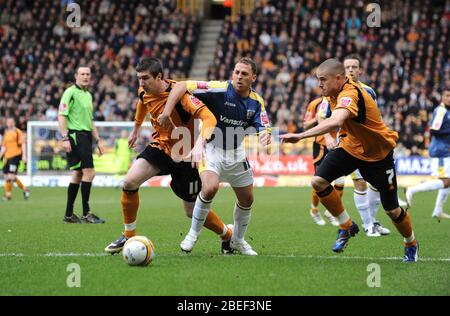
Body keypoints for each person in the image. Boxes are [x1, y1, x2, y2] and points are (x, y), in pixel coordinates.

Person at [280, 58, 419, 262]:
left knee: (392, 209)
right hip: (351, 147)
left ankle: (411, 243)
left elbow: (336, 120)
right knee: (318, 181)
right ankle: (346, 226)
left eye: (322, 80)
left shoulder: (350, 93)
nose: (319, 84)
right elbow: (328, 119)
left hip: (378, 155)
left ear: (338, 79)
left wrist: (300, 135)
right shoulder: (332, 94)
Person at [104, 57, 233, 254]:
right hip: (160, 148)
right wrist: (136, 129)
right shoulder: (143, 90)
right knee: (129, 182)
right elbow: (142, 103)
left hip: (185, 156)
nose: (141, 83)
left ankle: (228, 236)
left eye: (145, 78)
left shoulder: (182, 96)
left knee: (191, 211)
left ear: (159, 77)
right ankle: (128, 235)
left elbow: (209, 118)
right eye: (138, 78)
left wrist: (200, 144)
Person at [157, 57, 272, 256]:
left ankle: (237, 240)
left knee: (247, 200)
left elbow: (263, 124)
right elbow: (182, 85)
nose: (239, 76)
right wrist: (167, 111)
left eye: (244, 74)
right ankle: (193, 233)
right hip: (211, 148)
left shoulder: (256, 101)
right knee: (210, 188)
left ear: (253, 78)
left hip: (236, 153)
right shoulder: (218, 88)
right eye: (236, 72)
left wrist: (265, 136)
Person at [343, 54, 392, 237]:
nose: (350, 70)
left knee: (377, 184)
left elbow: (375, 119)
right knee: (360, 183)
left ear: (360, 70)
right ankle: (368, 225)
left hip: (370, 145)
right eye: (347, 67)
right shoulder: (336, 91)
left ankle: (373, 222)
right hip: (351, 145)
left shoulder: (369, 92)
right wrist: (332, 138)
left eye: (354, 67)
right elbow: (326, 117)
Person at [58, 66, 106, 224]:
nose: (85, 76)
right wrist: (64, 137)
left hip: (85, 136)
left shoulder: (88, 95)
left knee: (78, 174)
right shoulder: (70, 92)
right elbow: (62, 115)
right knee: (90, 172)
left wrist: (98, 141)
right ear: (76, 76)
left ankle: (68, 214)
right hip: (75, 135)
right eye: (82, 74)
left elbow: (90, 121)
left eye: (88, 74)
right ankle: (86, 213)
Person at [405, 88, 450, 220]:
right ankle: (412, 189)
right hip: (440, 151)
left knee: (448, 180)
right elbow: (434, 130)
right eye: (447, 95)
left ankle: (438, 210)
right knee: (445, 181)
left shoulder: (447, 111)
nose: (449, 98)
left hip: (445, 150)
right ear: (442, 97)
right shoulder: (441, 110)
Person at [303, 97, 341, 226]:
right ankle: (314, 210)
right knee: (319, 179)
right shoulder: (316, 104)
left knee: (340, 181)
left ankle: (331, 212)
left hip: (339, 143)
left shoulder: (343, 99)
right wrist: (321, 118)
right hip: (321, 144)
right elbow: (305, 125)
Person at [0, 117, 29, 201]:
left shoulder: (18, 132)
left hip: (16, 156)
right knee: (8, 177)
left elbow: (23, 144)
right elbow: (4, 147)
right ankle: (23, 190)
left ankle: (10, 195)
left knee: (10, 176)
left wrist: (24, 156)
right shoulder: (6, 133)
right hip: (7, 157)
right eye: (8, 122)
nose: (9, 123)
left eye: (10, 121)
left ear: (14, 123)